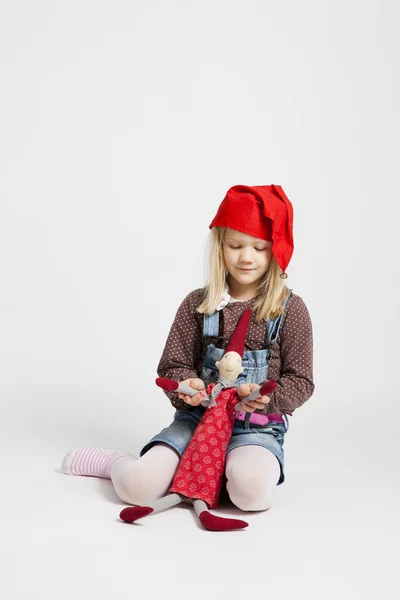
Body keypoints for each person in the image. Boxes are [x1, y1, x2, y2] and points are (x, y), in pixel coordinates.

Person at [61, 184, 315, 514]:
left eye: (259, 248)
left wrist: (268, 397)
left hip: (256, 427)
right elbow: (172, 365)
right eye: (235, 245)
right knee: (137, 487)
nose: (246, 257)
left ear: (276, 250)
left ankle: (220, 473)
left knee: (251, 496)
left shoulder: (290, 310)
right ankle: (114, 464)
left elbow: (301, 381)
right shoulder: (198, 304)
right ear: (220, 246)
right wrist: (187, 387)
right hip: (197, 420)